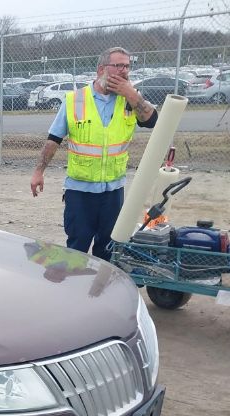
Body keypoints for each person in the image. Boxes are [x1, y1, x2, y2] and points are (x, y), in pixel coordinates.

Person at [30, 47, 158, 260]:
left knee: (108, 250)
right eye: (118, 66)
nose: (124, 71)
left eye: (127, 66)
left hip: (113, 191)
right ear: (101, 69)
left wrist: (132, 95)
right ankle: (74, 291)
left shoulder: (131, 100)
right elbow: (54, 139)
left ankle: (100, 292)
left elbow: (152, 121)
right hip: (80, 192)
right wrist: (38, 171)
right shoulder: (74, 100)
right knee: (76, 249)